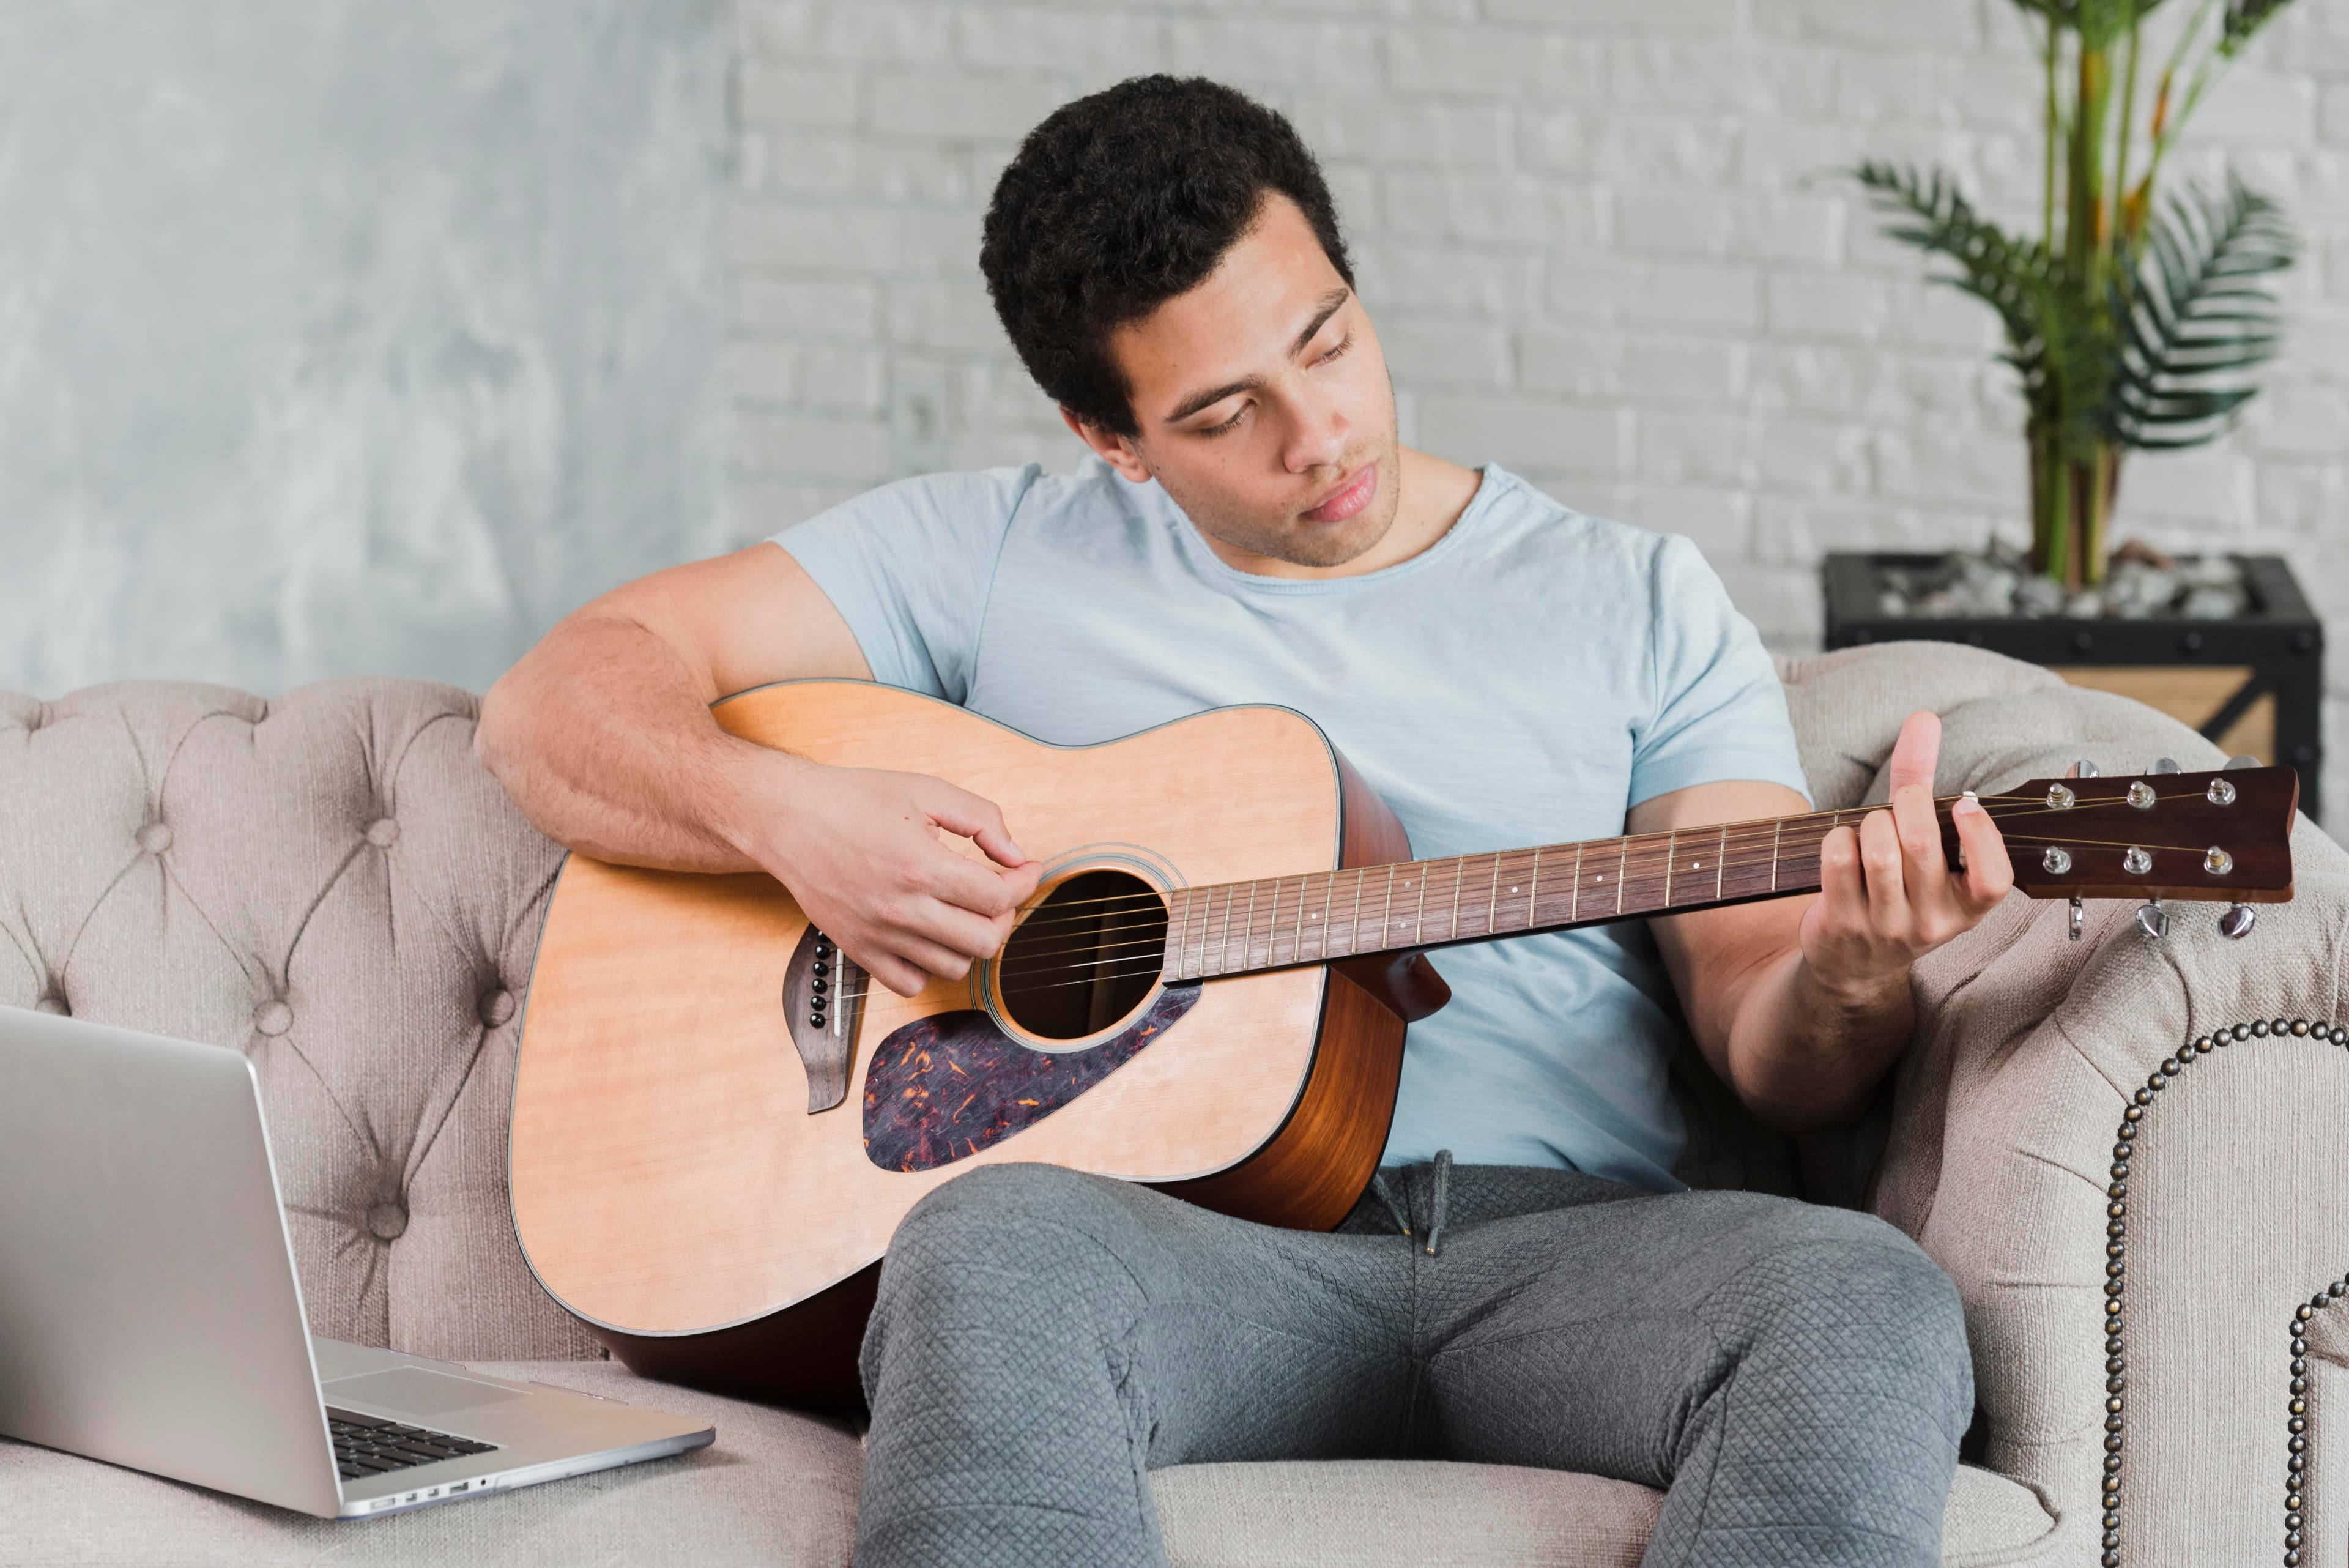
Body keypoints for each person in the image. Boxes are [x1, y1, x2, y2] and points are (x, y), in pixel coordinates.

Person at [477, 74, 2015, 1568]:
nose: (1320, 435)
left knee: (1862, 1298)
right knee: (987, 1250)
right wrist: (796, 820)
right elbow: (554, 702)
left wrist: (1854, 969)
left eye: (1329, 341)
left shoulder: (1639, 596)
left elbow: (1768, 1033)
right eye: (1225, 411)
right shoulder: (989, 555)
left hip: (1570, 1250)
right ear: (1111, 436)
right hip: (1182, 1252)